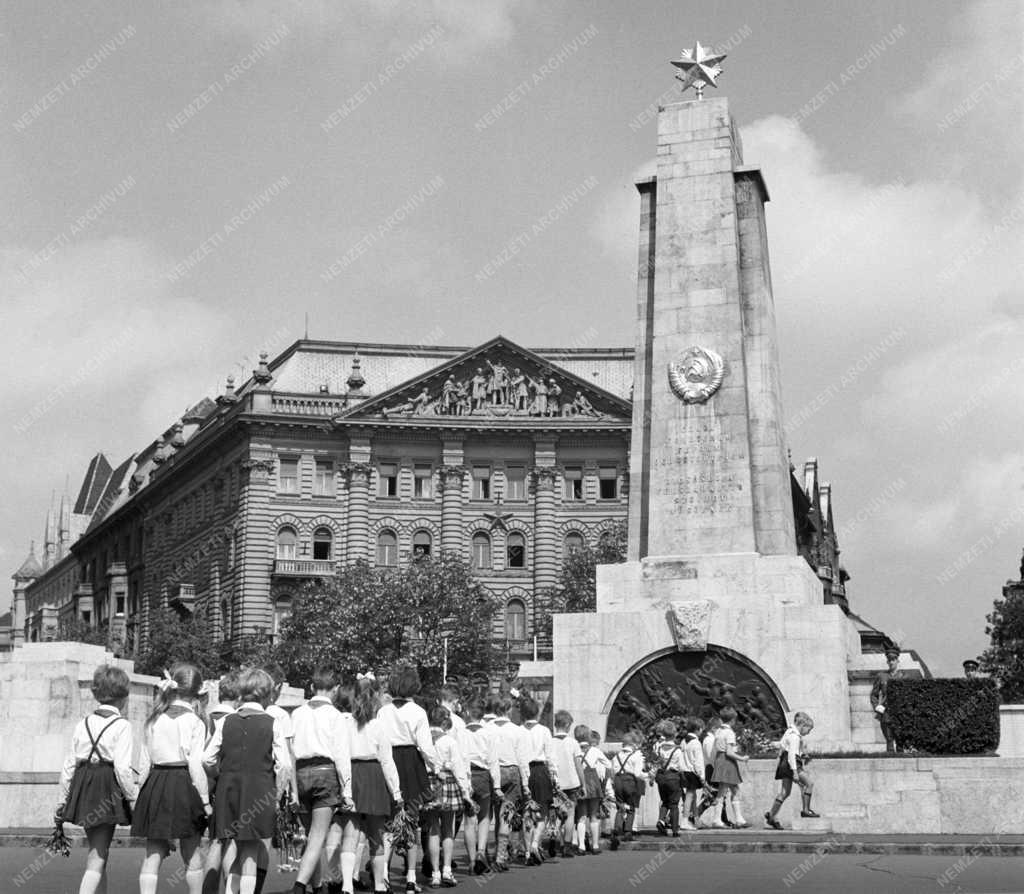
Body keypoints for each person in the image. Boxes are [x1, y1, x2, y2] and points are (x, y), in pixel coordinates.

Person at [203, 667, 292, 894]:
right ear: (267, 694)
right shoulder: (273, 722)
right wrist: (277, 794)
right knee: (250, 854)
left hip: (228, 791)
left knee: (234, 849)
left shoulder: (225, 721)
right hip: (259, 792)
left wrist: (220, 777)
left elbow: (207, 759)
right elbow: (285, 766)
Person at [57, 665, 137, 894]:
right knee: (98, 854)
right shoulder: (122, 726)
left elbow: (69, 764)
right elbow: (122, 768)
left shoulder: (82, 723)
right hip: (106, 786)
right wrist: (132, 797)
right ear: (124, 696)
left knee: (98, 851)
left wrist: (62, 799)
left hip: (84, 783)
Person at [133, 664, 212, 894]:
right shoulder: (195, 722)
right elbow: (196, 764)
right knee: (192, 851)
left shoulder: (153, 719)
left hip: (155, 783)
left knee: (153, 852)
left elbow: (144, 762)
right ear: (198, 691)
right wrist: (205, 800)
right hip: (184, 784)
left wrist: (140, 795)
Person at [375, 663, 438, 893]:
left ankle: (382, 875)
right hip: (412, 763)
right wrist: (436, 766)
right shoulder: (418, 712)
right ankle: (411, 877)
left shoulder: (383, 711)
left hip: (389, 761)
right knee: (411, 820)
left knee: (390, 823)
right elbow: (426, 747)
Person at [290, 667, 353, 894]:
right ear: (335, 689)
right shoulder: (335, 716)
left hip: (300, 773)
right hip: (325, 773)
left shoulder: (297, 713)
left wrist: (291, 786)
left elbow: (290, 750)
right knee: (318, 838)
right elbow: (342, 756)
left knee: (309, 837)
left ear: (311, 687)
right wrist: (348, 791)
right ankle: (299, 886)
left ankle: (317, 886)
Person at [337, 675, 401, 894]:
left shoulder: (346, 726)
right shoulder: (379, 727)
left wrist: (345, 790)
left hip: (353, 775)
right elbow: (387, 762)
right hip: (374, 777)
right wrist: (396, 791)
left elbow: (342, 758)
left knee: (350, 834)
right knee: (377, 835)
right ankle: (380, 885)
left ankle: (346, 885)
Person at [424, 706, 472, 888]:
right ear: (445, 722)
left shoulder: (424, 740)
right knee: (448, 829)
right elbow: (459, 768)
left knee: (433, 829)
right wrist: (466, 791)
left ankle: (435, 873)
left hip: (429, 784)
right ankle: (447, 870)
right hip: (448, 782)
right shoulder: (450, 741)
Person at [204, 670, 240, 894]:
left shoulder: (208, 717)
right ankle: (231, 888)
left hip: (208, 786)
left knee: (215, 841)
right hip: (228, 782)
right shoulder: (234, 720)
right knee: (231, 841)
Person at [262, 663, 296, 894]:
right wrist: (292, 789)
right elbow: (288, 756)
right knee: (266, 840)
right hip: (273, 782)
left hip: (246, 779)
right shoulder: (280, 715)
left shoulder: (241, 711)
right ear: (276, 687)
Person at [489, 694, 530, 870]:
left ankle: (492, 851)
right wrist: (526, 783)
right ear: (509, 709)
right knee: (506, 814)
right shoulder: (517, 730)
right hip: (511, 771)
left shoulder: (487, 728)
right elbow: (522, 759)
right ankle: (501, 856)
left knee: (494, 814)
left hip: (492, 771)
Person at [459, 700, 501, 875]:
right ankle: (481, 851)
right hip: (483, 775)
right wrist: (497, 785)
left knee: (469, 820)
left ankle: (471, 860)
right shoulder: (489, 733)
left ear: (468, 712)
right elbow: (493, 761)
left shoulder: (461, 733)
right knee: (484, 816)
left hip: (467, 774)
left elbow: (459, 757)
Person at [520, 695, 557, 865]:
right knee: (542, 813)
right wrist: (554, 777)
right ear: (537, 713)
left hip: (524, 771)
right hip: (540, 771)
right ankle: (535, 844)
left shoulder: (518, 730)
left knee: (527, 814)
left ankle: (528, 852)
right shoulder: (544, 731)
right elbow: (550, 757)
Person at [765, 712, 818, 829]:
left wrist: (802, 754)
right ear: (803, 725)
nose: (808, 733)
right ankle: (806, 810)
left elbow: (783, 747)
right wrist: (795, 772)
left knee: (785, 792)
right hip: (792, 764)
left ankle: (771, 816)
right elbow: (792, 755)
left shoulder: (788, 732)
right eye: (808, 730)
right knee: (809, 784)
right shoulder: (794, 736)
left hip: (785, 764)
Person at [549, 710, 582, 859]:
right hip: (571, 784)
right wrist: (583, 783)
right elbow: (578, 765)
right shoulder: (573, 743)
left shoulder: (550, 741)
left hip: (556, 784)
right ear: (568, 725)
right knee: (570, 815)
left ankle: (553, 841)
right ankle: (567, 846)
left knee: (555, 814)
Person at [709, 708, 749, 829]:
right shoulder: (729, 733)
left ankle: (739, 819)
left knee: (734, 789)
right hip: (727, 762)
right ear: (732, 720)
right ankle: (717, 819)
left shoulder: (719, 731)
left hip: (720, 759)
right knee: (723, 790)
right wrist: (742, 758)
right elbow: (730, 752)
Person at [609, 731, 644, 848]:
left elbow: (613, 772)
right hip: (630, 782)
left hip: (618, 781)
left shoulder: (616, 756)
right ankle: (628, 831)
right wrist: (648, 775)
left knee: (621, 807)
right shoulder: (636, 756)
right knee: (631, 807)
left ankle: (617, 830)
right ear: (633, 744)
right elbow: (638, 773)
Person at [573, 725, 603, 855]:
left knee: (581, 816)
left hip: (580, 783)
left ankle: (581, 846)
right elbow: (608, 764)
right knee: (593, 815)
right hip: (593, 783)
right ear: (589, 736)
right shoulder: (595, 751)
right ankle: (595, 845)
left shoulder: (574, 748)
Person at [652, 720, 684, 836]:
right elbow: (681, 767)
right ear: (674, 734)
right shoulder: (677, 750)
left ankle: (661, 820)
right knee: (674, 804)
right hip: (673, 777)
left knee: (665, 801)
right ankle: (675, 830)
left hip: (661, 776)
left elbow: (656, 762)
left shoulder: (659, 748)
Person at [871, 648, 903, 752]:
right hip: (886, 711)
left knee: (900, 740)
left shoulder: (903, 676)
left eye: (893, 659)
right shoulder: (881, 676)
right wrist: (877, 706)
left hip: (900, 712)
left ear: (898, 661)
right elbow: (874, 694)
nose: (891, 662)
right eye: (889, 660)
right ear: (887, 661)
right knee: (889, 739)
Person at [680, 717, 706, 830]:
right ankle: (685, 820)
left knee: (693, 796)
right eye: (701, 730)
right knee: (689, 796)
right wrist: (702, 777)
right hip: (692, 773)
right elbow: (698, 762)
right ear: (698, 729)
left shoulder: (683, 741)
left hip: (684, 771)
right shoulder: (696, 743)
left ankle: (696, 819)